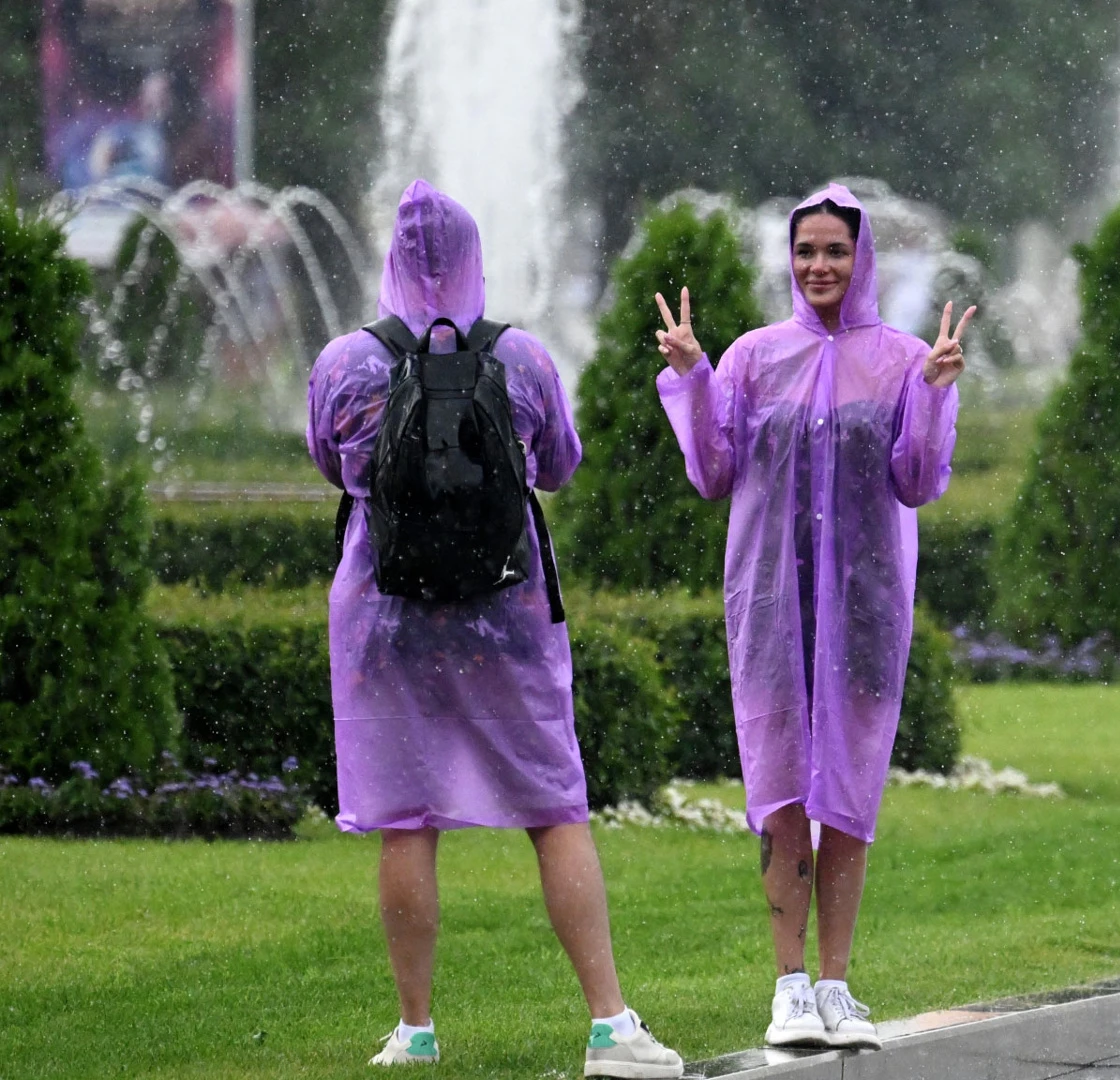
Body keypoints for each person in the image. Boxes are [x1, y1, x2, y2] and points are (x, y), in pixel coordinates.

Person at [307, 179, 683, 1078]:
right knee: (554, 809)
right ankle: (609, 1025)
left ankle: (415, 1031)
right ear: (474, 259)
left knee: (406, 820)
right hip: (504, 618)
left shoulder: (345, 364)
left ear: (392, 263)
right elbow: (557, 466)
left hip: (385, 620)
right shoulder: (523, 359)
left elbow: (334, 462)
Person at [655, 183, 971, 1050]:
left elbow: (917, 480)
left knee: (851, 795)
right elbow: (714, 470)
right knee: (783, 791)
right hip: (771, 608)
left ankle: (837, 984)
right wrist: (692, 375)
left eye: (835, 250)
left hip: (865, 610)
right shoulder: (755, 358)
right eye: (805, 251)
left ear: (860, 257)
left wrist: (937, 393)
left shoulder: (904, 357)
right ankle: (789, 985)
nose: (819, 265)